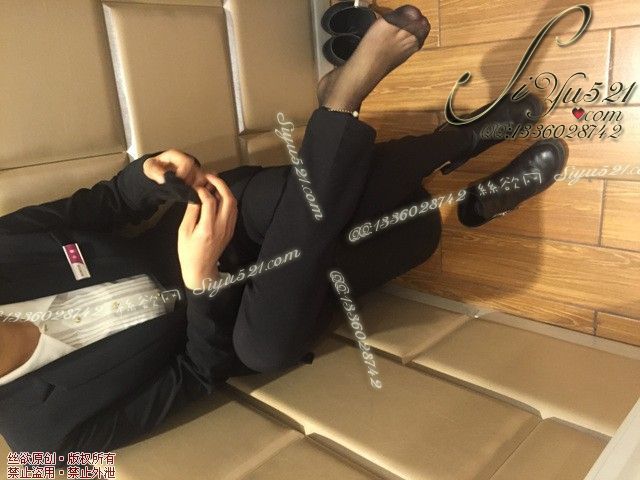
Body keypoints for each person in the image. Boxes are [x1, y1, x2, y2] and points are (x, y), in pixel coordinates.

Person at [0, 5, 565, 457]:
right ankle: (416, 138)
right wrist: (203, 284)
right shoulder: (41, 441)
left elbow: (106, 204)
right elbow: (197, 375)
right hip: (245, 315)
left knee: (306, 205)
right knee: (283, 332)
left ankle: (454, 163)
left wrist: (147, 176)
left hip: (211, 222)